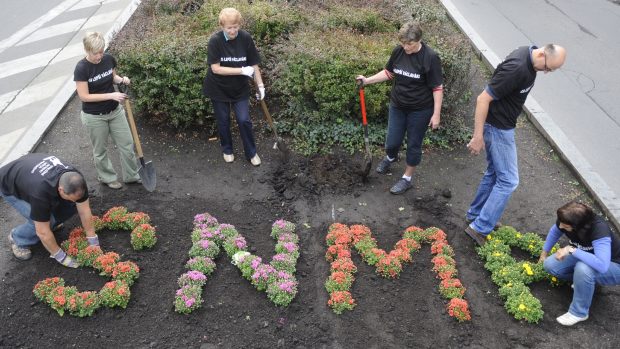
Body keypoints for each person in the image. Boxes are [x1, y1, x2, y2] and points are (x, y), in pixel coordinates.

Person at [464, 44, 567, 245]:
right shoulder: (517, 69)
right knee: (509, 181)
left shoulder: (530, 55)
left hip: (502, 125)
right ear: (541, 54)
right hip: (497, 128)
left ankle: (475, 214)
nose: (546, 73)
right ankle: (479, 228)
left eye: (550, 70)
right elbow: (483, 99)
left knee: (494, 173)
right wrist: (478, 137)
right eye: (547, 68)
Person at [356, 21, 443, 194]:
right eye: (403, 43)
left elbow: (437, 88)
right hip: (398, 105)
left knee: (413, 145)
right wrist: (367, 80)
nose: (405, 47)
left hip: (420, 109)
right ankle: (391, 157)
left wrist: (436, 114)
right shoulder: (399, 51)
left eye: (409, 44)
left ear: (419, 41)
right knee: (392, 142)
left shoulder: (430, 57)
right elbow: (389, 73)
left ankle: (407, 178)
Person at [0, 154, 100, 267]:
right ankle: (18, 239)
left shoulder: (76, 180)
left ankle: (51, 224)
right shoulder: (40, 193)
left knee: (70, 207)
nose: (74, 201)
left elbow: (84, 210)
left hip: (29, 170)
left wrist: (93, 240)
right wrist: (61, 257)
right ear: (61, 190)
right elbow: (42, 232)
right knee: (44, 223)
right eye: (71, 198)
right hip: (8, 183)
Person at [74, 31, 141, 190]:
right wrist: (111, 95)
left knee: (127, 144)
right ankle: (107, 177)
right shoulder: (82, 68)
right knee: (100, 150)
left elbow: (112, 78)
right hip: (94, 117)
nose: (99, 56)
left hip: (115, 111)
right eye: (95, 53)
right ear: (87, 50)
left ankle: (131, 176)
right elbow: (84, 96)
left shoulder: (108, 59)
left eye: (101, 52)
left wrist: (122, 79)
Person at [540, 202, 620, 326]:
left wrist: (571, 250)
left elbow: (602, 265)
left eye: (565, 226)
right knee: (550, 265)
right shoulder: (566, 219)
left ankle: (579, 312)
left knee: (583, 269)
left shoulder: (599, 230)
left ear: (578, 226)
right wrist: (544, 254)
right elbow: (555, 231)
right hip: (587, 256)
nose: (561, 226)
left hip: (613, 265)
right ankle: (584, 283)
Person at [202, 7, 264, 166]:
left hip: (239, 89)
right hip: (218, 87)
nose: (233, 31)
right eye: (229, 27)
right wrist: (241, 70)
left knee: (244, 120)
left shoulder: (245, 38)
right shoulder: (215, 41)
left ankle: (251, 152)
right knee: (223, 120)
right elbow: (215, 68)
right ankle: (227, 149)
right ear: (222, 26)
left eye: (236, 27)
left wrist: (261, 85)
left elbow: (254, 64)